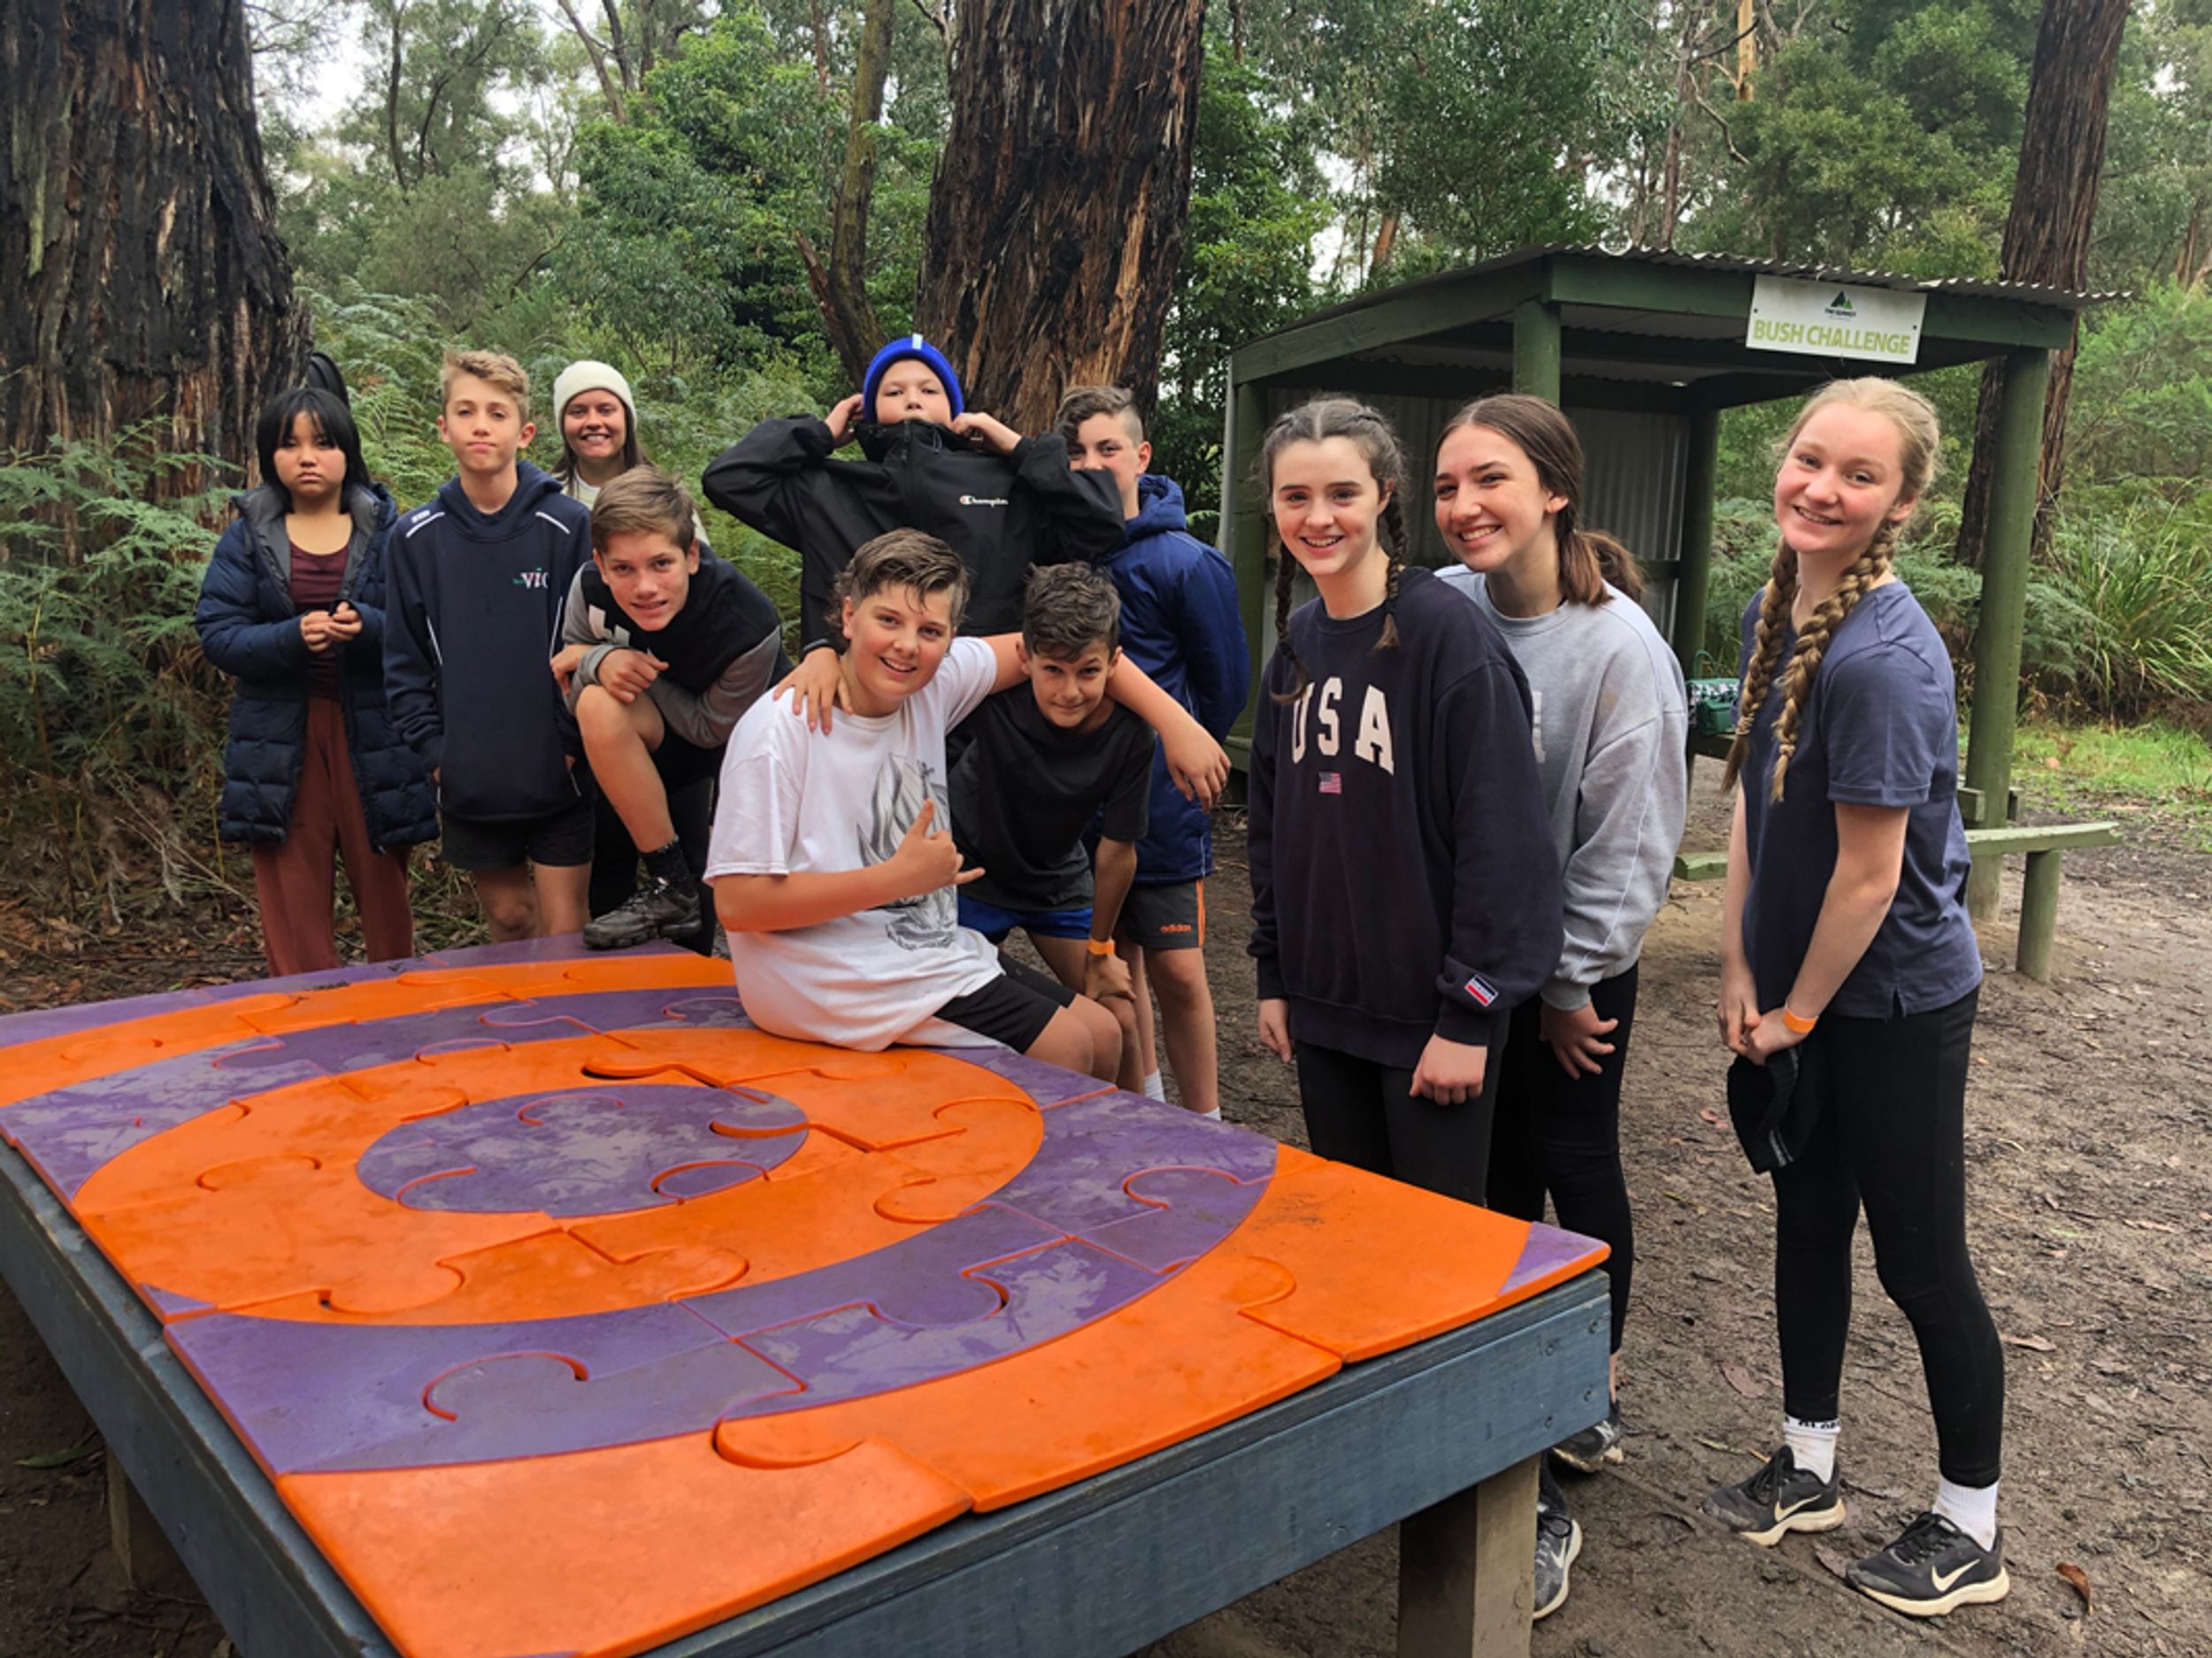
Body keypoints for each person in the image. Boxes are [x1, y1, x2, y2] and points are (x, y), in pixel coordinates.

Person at [1703, 378, 2008, 1618]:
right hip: (1799, 992)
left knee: (1922, 1263)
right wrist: (1739, 965)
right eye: (1810, 459)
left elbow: (1871, 877)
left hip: (1891, 1004)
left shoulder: (1885, 661)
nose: (1821, 488)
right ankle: (1809, 1463)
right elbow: (1751, 802)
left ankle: (1969, 1525)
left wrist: (1795, 1016)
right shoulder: (1773, 606)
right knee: (1807, 1219)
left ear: (1904, 503)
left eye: (1860, 474)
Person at [1432, 393, 1688, 1619]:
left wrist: (1568, 984)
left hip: (1575, 965)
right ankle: (1515, 1399)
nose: (1465, 504)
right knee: (1488, 1180)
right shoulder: (1441, 605)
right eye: (1447, 485)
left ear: (1554, 490)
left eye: (1491, 479)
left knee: (1572, 1160)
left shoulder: (1619, 649)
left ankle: (1588, 1383)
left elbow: (1629, 844)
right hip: (1466, 959)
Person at [707, 530, 1227, 1078]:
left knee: (1104, 1031)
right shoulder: (781, 731)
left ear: (952, 637)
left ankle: (1102, 1139)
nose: (907, 646)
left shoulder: (933, 685)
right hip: (826, 975)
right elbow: (738, 904)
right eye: (888, 621)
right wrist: (894, 880)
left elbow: (1065, 647)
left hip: (917, 950)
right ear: (849, 615)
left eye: (930, 631)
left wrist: (1175, 724)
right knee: (1068, 1046)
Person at [1247, 395, 1562, 1204]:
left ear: (1384, 494)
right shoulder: (1296, 646)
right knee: (1356, 1234)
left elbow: (1504, 846)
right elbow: (1273, 832)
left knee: (1439, 1251)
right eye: (1295, 496)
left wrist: (1470, 1014)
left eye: (1342, 494)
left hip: (1432, 1023)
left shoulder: (1447, 639)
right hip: (1324, 1011)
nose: (1318, 518)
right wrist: (1275, 975)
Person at [699, 334, 1125, 692]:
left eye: (929, 390)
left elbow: (1101, 523)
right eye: (894, 391)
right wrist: (821, 433)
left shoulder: (1006, 483)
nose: (913, 400)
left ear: (955, 408)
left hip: (986, 710)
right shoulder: (829, 487)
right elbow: (728, 479)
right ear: (867, 409)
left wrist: (1018, 447)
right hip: (857, 705)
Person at [196, 386, 434, 975]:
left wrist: (369, 628)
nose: (307, 457)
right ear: (269, 455)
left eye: (323, 443)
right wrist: (290, 637)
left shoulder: (390, 532)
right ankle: (304, 1009)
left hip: (375, 730)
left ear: (347, 451)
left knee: (383, 883)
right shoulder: (247, 536)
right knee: (291, 890)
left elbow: (427, 627)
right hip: (280, 734)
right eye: (290, 444)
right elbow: (219, 633)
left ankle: (395, 1003)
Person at [1058, 385, 1247, 1118]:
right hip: (1083, 796)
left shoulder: (1187, 562)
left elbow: (1224, 686)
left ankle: (1207, 1121)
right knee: (1112, 962)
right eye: (1077, 453)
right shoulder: (1062, 558)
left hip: (1164, 805)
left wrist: (1181, 750)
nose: (1093, 464)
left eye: (1108, 449)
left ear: (1140, 456)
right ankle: (1147, 1106)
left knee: (1178, 968)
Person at [384, 349, 595, 941]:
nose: (481, 426)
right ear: (443, 427)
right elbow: (403, 662)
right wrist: (437, 754)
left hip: (559, 765)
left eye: (497, 413)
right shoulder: (414, 538)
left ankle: (569, 1009)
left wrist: (571, 741)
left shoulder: (567, 526)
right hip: (470, 773)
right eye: (466, 411)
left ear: (524, 432)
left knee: (563, 928)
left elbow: (592, 644)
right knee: (510, 916)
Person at [550, 467, 790, 950]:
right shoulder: (589, 587)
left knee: (729, 883)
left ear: (691, 555)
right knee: (597, 703)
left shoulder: (745, 620)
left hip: (742, 746)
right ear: (600, 564)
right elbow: (570, 682)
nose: (645, 587)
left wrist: (608, 659)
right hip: (645, 739)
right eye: (623, 568)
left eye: (661, 564)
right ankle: (669, 883)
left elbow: (708, 729)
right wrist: (601, 661)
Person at [949, 564, 1154, 1086]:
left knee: (1119, 1016)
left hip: (1056, 876)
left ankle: (1135, 1129)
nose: (1070, 690)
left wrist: (1101, 949)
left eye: (1088, 671)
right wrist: (820, 656)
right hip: (971, 873)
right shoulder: (991, 697)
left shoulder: (1131, 733)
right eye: (1053, 671)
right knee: (966, 1020)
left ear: (1114, 663)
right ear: (1025, 659)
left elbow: (1117, 849)